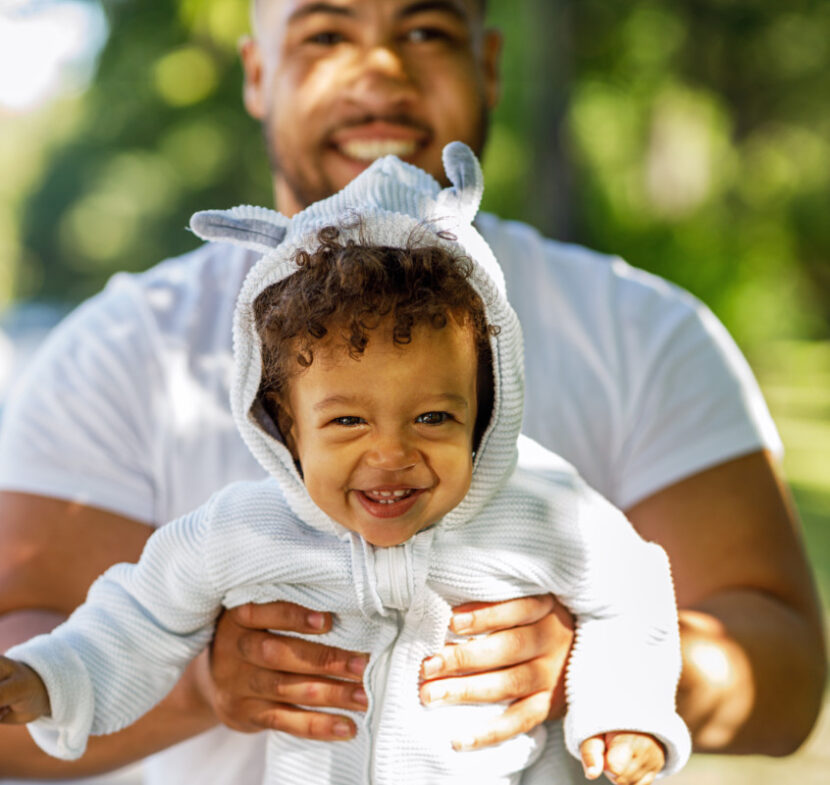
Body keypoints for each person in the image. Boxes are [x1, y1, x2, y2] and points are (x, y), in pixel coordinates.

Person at [0, 0, 824, 783]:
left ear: (489, 62)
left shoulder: (574, 457)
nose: (379, 68)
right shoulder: (210, 493)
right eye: (325, 35)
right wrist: (192, 682)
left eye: (425, 28)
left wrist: (603, 679)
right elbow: (122, 626)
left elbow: (690, 621)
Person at [0, 145, 691, 785]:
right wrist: (49, 677)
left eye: (432, 417)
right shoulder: (241, 531)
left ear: (483, 405)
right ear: (284, 422)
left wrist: (623, 705)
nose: (390, 454)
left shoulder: (543, 508)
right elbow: (139, 617)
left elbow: (633, 593)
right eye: (347, 421)